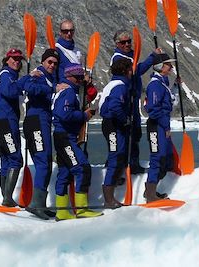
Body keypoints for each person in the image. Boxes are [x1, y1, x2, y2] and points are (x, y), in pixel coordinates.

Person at [52, 63, 102, 221]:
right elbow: (64, 114)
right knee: (82, 168)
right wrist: (84, 116)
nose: (80, 80)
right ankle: (81, 209)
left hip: (63, 136)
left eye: (82, 77)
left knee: (65, 173)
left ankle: (62, 211)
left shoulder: (67, 91)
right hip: (66, 136)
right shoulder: (68, 93)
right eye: (78, 77)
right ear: (69, 77)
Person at [110, 30, 161, 175]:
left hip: (133, 101)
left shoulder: (131, 55)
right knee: (125, 135)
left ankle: (134, 163)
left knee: (136, 134)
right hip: (126, 101)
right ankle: (120, 168)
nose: (127, 44)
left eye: (128, 41)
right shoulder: (118, 58)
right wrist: (152, 57)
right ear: (117, 44)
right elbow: (136, 70)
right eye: (123, 42)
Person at [23, 49, 60, 219]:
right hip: (36, 120)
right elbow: (29, 88)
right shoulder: (38, 74)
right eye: (49, 62)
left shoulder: (50, 77)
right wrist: (52, 90)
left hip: (43, 121)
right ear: (43, 62)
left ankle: (40, 204)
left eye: (54, 63)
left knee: (45, 161)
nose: (52, 65)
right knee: (43, 161)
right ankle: (35, 204)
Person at [0, 48, 29, 207]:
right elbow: (9, 91)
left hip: (1, 122)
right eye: (13, 58)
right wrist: (25, 80)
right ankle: (7, 199)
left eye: (19, 59)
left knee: (6, 159)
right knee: (16, 159)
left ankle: (5, 196)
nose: (17, 61)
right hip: (7, 121)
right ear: (6, 60)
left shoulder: (8, 76)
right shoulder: (6, 75)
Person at [143, 53, 180, 203]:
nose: (171, 67)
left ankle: (151, 191)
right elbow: (152, 108)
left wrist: (176, 86)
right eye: (168, 64)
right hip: (156, 126)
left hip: (162, 126)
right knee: (157, 158)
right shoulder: (155, 85)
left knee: (163, 157)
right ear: (160, 67)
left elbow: (170, 103)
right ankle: (150, 194)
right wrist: (165, 125)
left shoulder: (163, 83)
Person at [99, 58, 133, 208]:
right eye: (131, 69)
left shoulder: (113, 84)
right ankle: (108, 200)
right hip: (113, 125)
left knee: (117, 156)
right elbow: (114, 106)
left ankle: (110, 197)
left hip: (111, 125)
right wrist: (125, 119)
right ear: (126, 71)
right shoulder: (120, 86)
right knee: (115, 157)